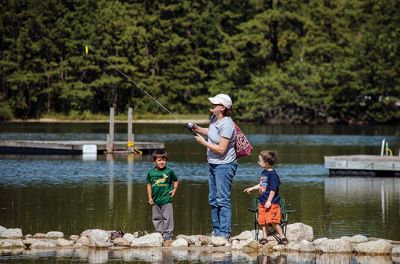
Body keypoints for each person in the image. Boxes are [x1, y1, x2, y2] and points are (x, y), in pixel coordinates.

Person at [189, 94, 237, 241]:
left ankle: (224, 234)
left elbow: (221, 149)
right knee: (213, 199)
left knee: (222, 200)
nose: (211, 104)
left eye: (215, 103)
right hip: (213, 164)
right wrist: (196, 128)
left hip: (225, 166)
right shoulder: (215, 119)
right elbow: (211, 132)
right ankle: (216, 232)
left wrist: (203, 143)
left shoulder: (227, 124)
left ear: (222, 108)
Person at [243, 150, 288, 245]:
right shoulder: (264, 172)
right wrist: (252, 188)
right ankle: (264, 237)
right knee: (263, 221)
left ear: (266, 163)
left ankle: (282, 237)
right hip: (262, 202)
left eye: (260, 161)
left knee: (273, 221)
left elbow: (273, 189)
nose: (258, 162)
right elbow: (262, 184)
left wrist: (269, 201)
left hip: (271, 202)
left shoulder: (273, 175)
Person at [146, 149, 178, 245]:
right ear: (154, 161)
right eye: (159, 160)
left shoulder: (169, 172)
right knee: (156, 217)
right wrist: (150, 197)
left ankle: (168, 233)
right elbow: (148, 185)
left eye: (164, 160)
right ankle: (159, 232)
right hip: (155, 199)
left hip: (166, 199)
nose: (162, 162)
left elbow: (175, 180)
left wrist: (174, 189)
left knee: (167, 217)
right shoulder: (151, 173)